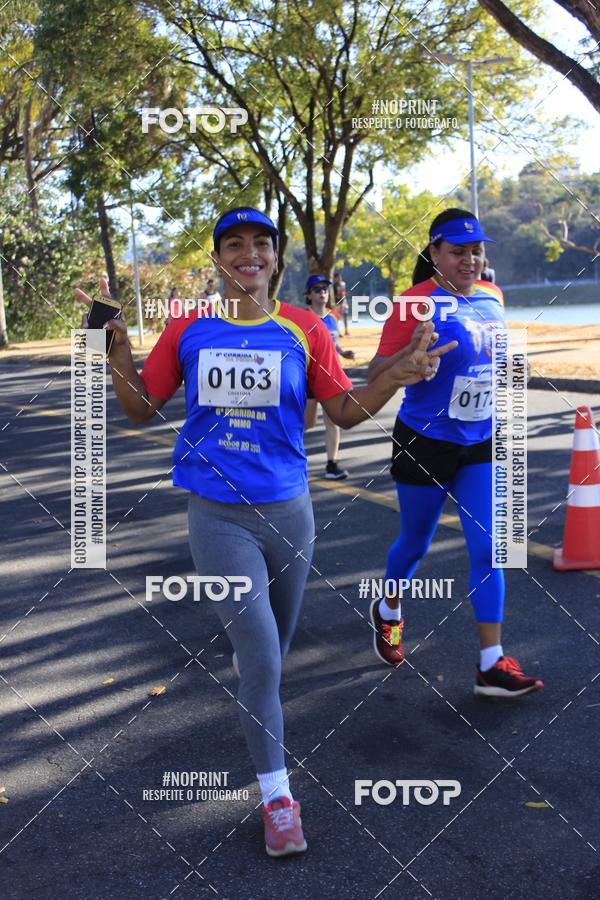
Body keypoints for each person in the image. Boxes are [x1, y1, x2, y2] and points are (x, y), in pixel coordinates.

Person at [76, 206, 456, 858]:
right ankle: (279, 799)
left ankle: (258, 691)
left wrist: (395, 375)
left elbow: (343, 411)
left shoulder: (306, 328)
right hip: (218, 519)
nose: (248, 253)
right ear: (218, 258)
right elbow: (140, 407)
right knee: (260, 660)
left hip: (291, 515)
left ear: (276, 257)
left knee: (272, 655)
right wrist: (115, 352)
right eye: (234, 244)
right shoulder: (188, 328)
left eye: (261, 243)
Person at [368, 207, 543, 699]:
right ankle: (389, 608)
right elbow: (376, 374)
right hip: (425, 441)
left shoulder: (492, 296)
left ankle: (491, 663)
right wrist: (408, 361)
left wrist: (515, 367)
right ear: (435, 253)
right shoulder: (412, 305)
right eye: (458, 251)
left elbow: (496, 358)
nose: (469, 259)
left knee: (490, 548)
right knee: (414, 544)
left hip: (481, 440)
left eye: (476, 251)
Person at [304, 274, 355, 480]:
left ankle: (332, 465)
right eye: (317, 289)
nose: (322, 293)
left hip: (330, 376)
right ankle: (284, 457)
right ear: (309, 295)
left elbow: (333, 344)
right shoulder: (302, 317)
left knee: (332, 421)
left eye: (325, 289)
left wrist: (343, 353)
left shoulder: (332, 317)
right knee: (307, 424)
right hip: (309, 377)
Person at [333, 271, 349, 336]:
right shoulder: (334, 286)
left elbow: (344, 292)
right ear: (335, 278)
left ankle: (346, 330)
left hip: (344, 301)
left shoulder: (343, 284)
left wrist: (344, 295)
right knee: (337, 317)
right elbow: (334, 295)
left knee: (345, 315)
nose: (339, 278)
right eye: (338, 277)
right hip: (337, 303)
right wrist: (339, 296)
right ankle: (338, 331)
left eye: (340, 277)